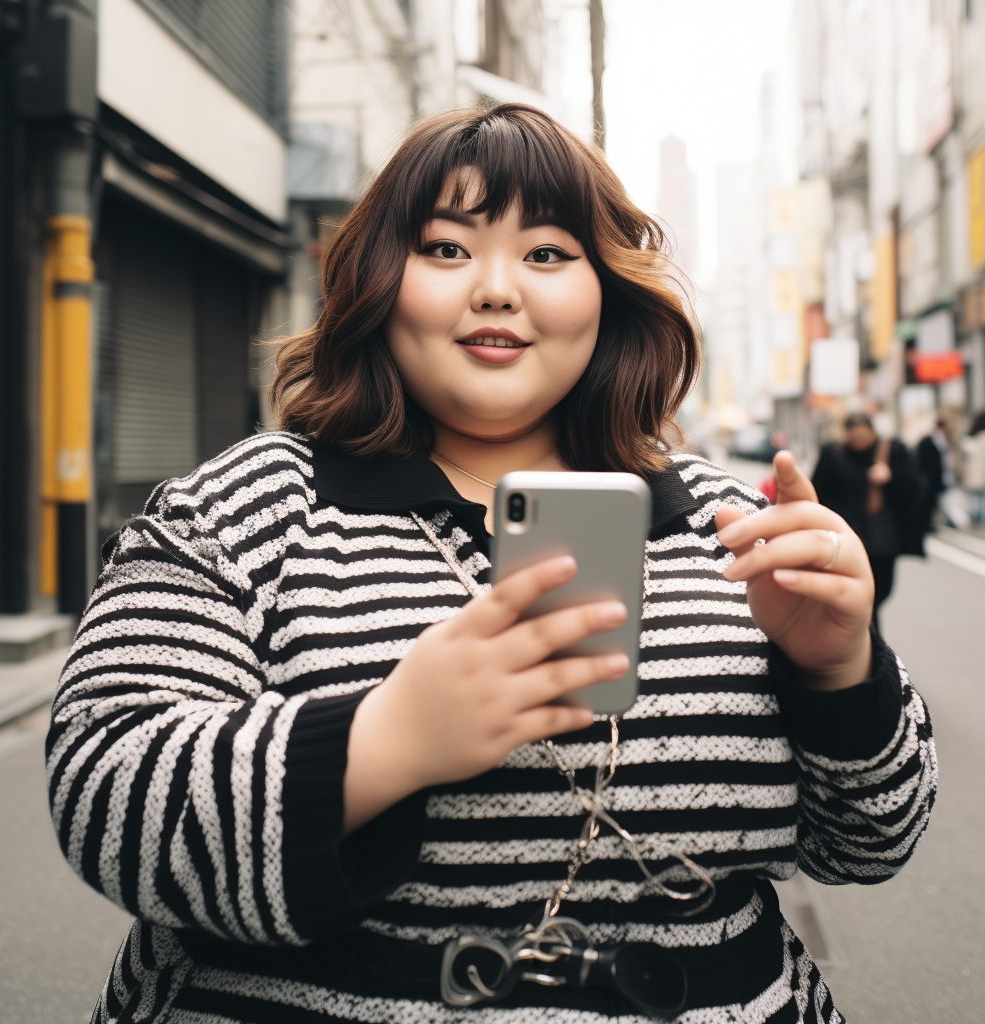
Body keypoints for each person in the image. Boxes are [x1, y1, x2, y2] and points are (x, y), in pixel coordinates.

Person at [48, 105, 936, 1024]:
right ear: (378, 279)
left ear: (607, 290)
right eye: (445, 248)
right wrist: (385, 739)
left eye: (548, 254)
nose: (499, 289)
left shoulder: (737, 526)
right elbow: (104, 791)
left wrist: (840, 672)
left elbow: (873, 841)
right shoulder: (240, 508)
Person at [812, 413, 925, 634]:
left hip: (882, 535)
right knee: (854, 594)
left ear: (873, 432)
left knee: (881, 590)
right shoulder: (833, 454)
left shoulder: (893, 451)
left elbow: (917, 485)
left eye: (864, 437)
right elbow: (818, 491)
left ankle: (868, 633)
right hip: (845, 534)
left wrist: (891, 476)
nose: (859, 442)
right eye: (853, 438)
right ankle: (867, 638)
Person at [961, 410, 985, 525]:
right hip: (979, 476)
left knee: (976, 504)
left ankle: (976, 522)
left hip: (973, 476)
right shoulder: (980, 439)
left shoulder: (969, 440)